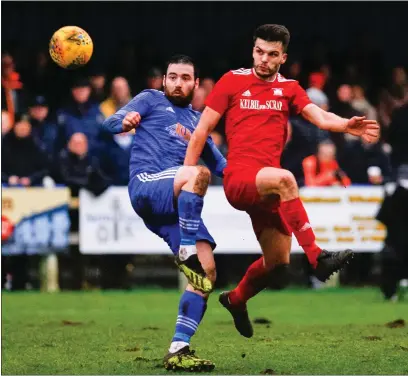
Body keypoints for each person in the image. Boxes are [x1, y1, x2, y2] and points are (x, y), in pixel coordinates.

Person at [183, 24, 380, 338]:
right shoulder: (232, 81)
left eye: (272, 54)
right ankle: (318, 258)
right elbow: (202, 131)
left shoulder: (289, 88)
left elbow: (319, 116)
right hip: (241, 178)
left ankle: (235, 299)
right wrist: (187, 173)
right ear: (253, 50)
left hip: (268, 188)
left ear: (282, 58)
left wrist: (346, 125)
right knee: (288, 179)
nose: (263, 59)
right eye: (259, 51)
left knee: (277, 262)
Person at [102, 55, 226, 371]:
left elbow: (223, 166)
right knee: (196, 173)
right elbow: (110, 122)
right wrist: (125, 121)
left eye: (185, 77)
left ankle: (178, 349)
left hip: (174, 204)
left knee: (208, 272)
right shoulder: (150, 98)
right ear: (164, 80)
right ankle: (185, 250)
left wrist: (256, 177)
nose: (177, 82)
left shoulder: (199, 122)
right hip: (147, 185)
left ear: (196, 84)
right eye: (172, 76)